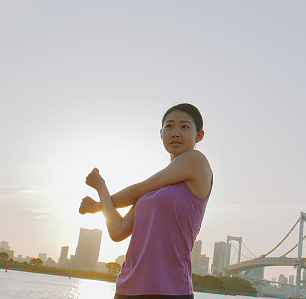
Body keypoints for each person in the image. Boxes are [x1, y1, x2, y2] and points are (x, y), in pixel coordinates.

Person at [80, 103, 213, 299]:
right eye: (169, 126)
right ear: (160, 133)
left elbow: (137, 189)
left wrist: (98, 205)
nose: (175, 132)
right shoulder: (150, 196)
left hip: (170, 290)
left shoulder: (196, 161)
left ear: (199, 135)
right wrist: (101, 187)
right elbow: (117, 231)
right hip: (126, 289)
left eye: (184, 127)